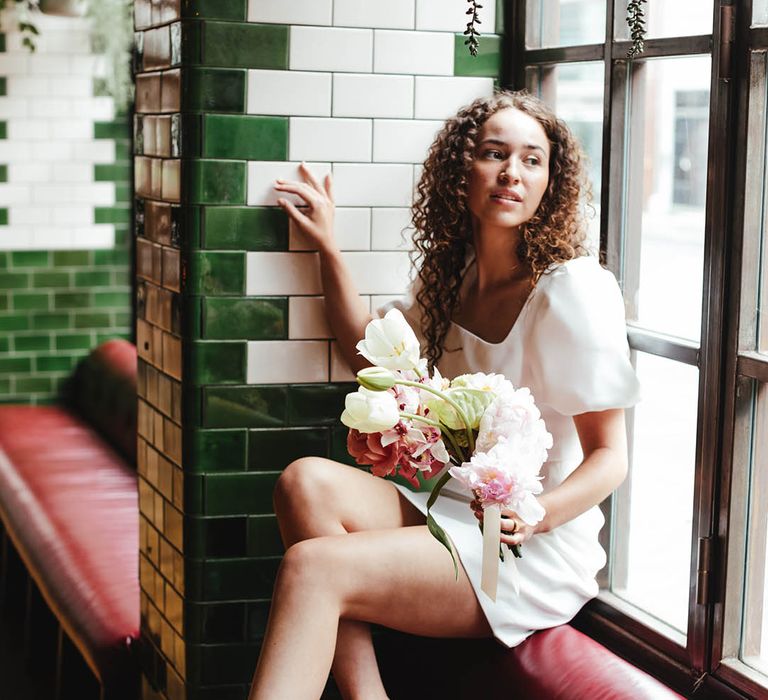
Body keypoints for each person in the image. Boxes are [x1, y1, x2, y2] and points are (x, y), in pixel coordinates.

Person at [248, 90, 641, 700]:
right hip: (450, 506)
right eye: (494, 153)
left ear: (550, 184)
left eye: (533, 160)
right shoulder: (449, 275)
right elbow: (365, 352)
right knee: (304, 482)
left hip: (523, 547)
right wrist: (328, 247)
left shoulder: (571, 291)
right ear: (463, 169)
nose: (513, 172)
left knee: (313, 565)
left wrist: (534, 517)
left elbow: (610, 455)